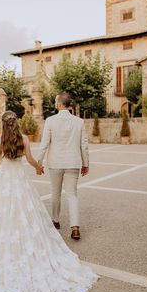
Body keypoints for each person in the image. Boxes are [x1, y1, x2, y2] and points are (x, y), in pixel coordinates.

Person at [0, 110, 98, 292]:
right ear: (16, 123)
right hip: (20, 179)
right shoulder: (23, 139)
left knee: (4, 214)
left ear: (2, 124)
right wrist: (38, 167)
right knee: (27, 211)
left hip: (4, 181)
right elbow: (31, 159)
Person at [37, 92, 89, 240]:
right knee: (72, 195)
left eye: (55, 101)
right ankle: (75, 228)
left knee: (56, 193)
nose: (54, 103)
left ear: (59, 104)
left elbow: (44, 143)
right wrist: (86, 163)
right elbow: (84, 145)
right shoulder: (79, 122)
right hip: (73, 163)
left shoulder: (50, 121)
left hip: (55, 163)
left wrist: (38, 162)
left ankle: (55, 221)